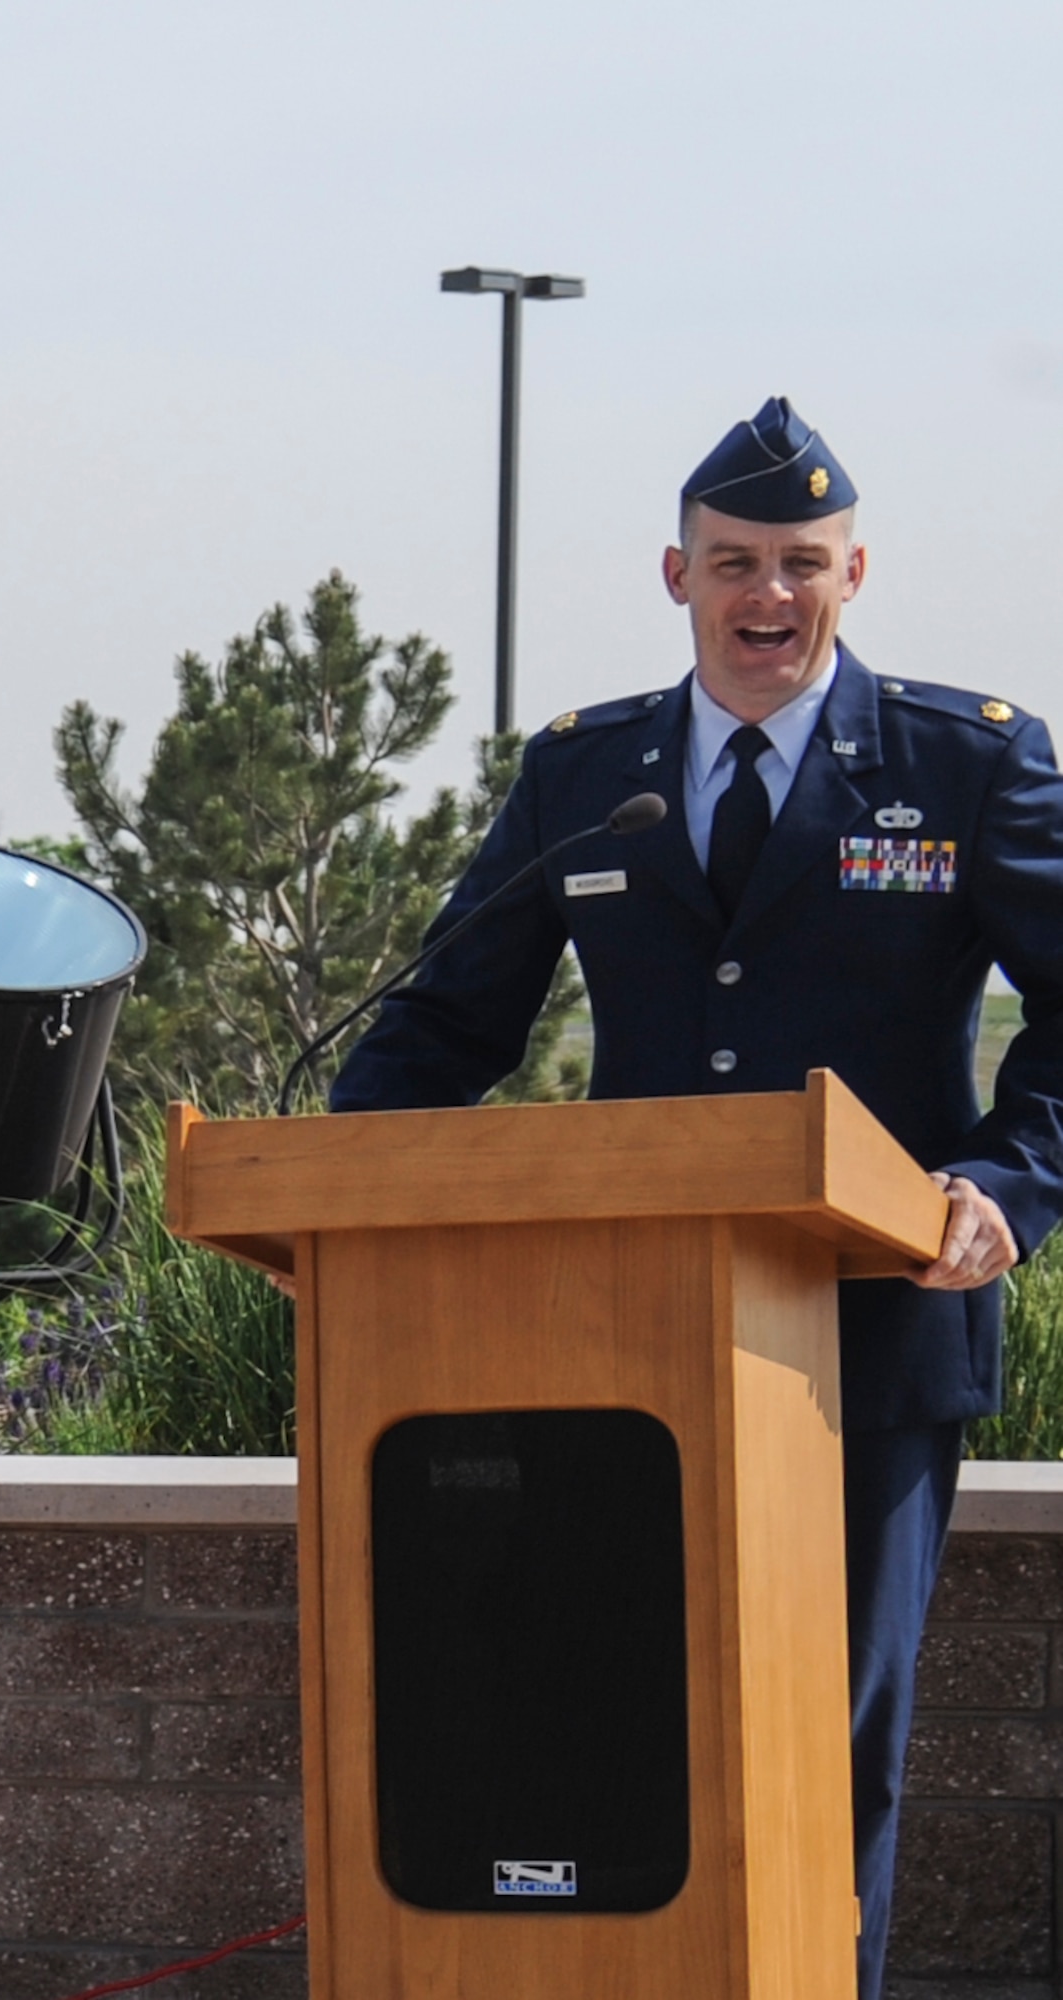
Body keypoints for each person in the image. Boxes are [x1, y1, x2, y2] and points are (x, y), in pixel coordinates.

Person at [328, 395, 1063, 2000]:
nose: (768, 597)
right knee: (604, 1723)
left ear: (852, 574)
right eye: (735, 562)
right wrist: (344, 1187)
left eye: (800, 563)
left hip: (871, 1333)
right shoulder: (590, 775)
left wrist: (1012, 1180)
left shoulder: (965, 759)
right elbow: (449, 1017)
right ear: (676, 575)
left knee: (825, 1729)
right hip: (609, 1345)